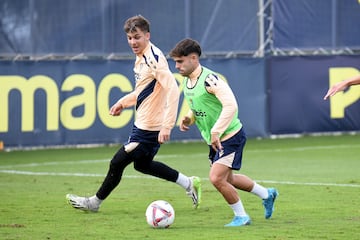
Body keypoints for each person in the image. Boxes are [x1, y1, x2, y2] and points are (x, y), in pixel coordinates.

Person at [66, 16, 201, 212]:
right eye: (129, 38)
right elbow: (144, 90)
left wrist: (166, 125)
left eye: (136, 37)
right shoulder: (141, 58)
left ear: (147, 35)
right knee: (143, 165)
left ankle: (94, 203)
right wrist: (124, 102)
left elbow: (172, 88)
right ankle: (189, 183)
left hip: (150, 127)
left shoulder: (153, 58)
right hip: (143, 123)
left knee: (117, 162)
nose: (133, 42)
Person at [169, 38, 278, 227]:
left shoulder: (210, 79)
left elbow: (231, 105)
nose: (177, 66)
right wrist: (189, 118)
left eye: (180, 61)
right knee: (230, 179)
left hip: (230, 136)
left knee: (216, 178)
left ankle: (242, 217)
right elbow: (198, 107)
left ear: (193, 58)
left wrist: (216, 131)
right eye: (175, 62)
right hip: (215, 139)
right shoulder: (187, 82)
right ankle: (266, 194)